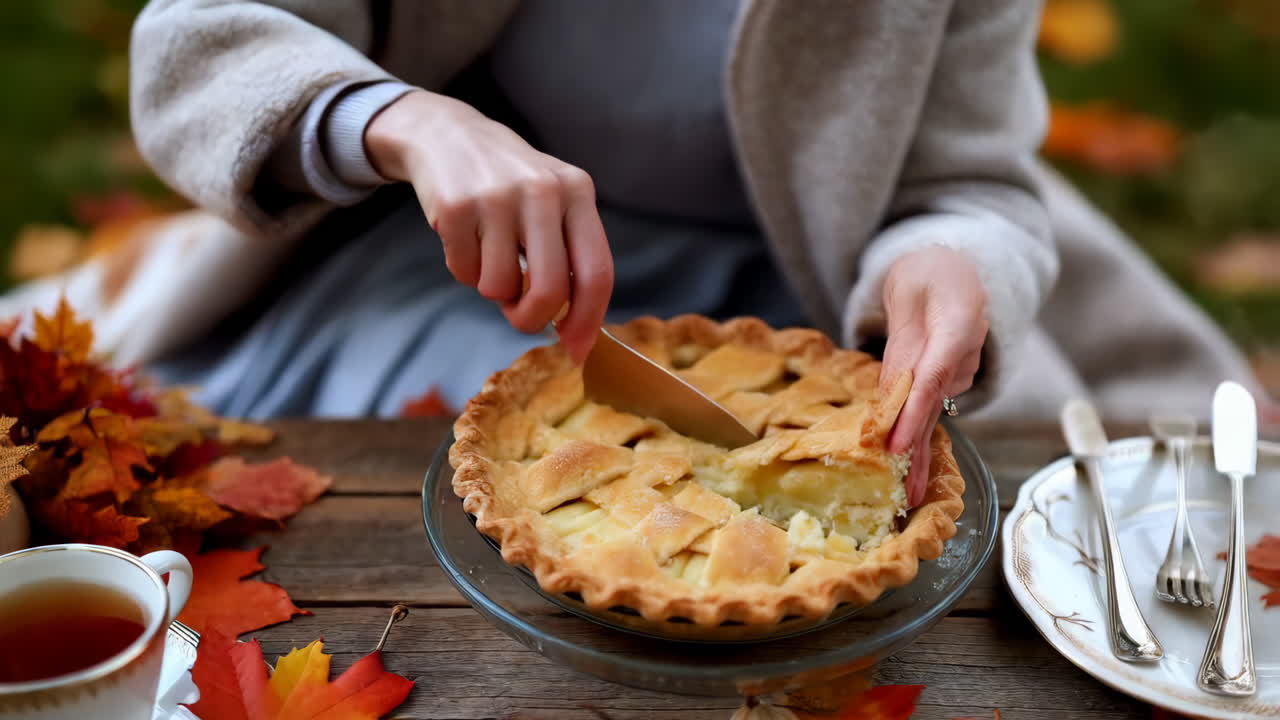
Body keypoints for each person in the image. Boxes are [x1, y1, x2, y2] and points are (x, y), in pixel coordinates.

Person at [126, 1, 1263, 506]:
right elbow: (195, 43)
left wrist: (947, 259)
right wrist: (404, 120)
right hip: (450, 270)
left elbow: (961, 180)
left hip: (804, 306)